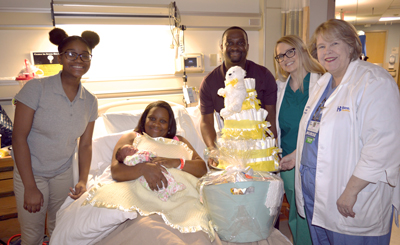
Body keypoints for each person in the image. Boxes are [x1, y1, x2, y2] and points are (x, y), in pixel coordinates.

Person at [289, 19, 400, 244]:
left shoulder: (374, 81)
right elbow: (316, 132)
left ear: (351, 45)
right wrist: (296, 155)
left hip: (351, 195)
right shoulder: (324, 84)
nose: (327, 51)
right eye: (321, 46)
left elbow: (382, 145)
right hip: (317, 193)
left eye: (334, 44)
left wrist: (351, 191)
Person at [12, 27, 99, 244]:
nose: (78, 59)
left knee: (59, 230)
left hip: (62, 174)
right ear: (60, 57)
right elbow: (18, 138)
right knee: (32, 236)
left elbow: (86, 145)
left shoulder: (90, 101)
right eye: (71, 54)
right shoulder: (36, 89)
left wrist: (82, 180)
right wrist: (30, 187)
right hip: (32, 172)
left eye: (84, 55)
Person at [199, 26, 277, 168]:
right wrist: (213, 150)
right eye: (229, 43)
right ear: (221, 47)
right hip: (230, 151)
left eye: (240, 43)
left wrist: (271, 148)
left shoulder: (264, 75)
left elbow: (270, 116)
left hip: (259, 151)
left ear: (247, 47)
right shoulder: (210, 82)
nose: (235, 47)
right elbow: (206, 122)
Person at [274, 35, 325, 245]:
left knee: (312, 213)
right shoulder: (281, 89)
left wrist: (299, 153)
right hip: (287, 162)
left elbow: (324, 127)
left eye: (290, 51)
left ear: (302, 50)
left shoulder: (321, 83)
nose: (285, 58)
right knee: (295, 213)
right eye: (279, 56)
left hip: (311, 161)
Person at [111, 100, 207, 187]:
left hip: (182, 193)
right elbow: (116, 171)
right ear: (144, 120)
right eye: (152, 119)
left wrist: (175, 162)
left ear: (169, 126)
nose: (156, 124)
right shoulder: (132, 137)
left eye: (162, 121)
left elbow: (202, 169)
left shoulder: (180, 141)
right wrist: (143, 169)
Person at [115, 144, 186, 201]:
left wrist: (152, 155)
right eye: (128, 150)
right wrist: (144, 157)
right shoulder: (129, 159)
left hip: (155, 166)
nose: (131, 148)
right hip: (145, 176)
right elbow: (134, 160)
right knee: (155, 182)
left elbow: (151, 154)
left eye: (131, 147)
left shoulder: (141, 152)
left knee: (166, 175)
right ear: (124, 157)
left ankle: (175, 186)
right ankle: (163, 193)